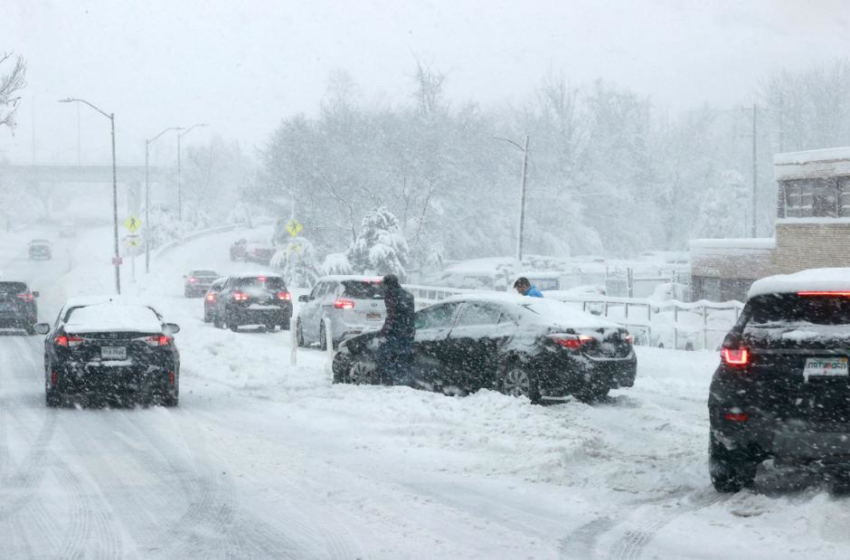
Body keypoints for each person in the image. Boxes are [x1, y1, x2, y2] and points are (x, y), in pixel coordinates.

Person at [377, 274, 416, 385]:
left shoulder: (391, 295)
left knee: (381, 354)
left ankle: (392, 378)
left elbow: (392, 316)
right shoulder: (407, 295)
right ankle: (402, 381)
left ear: (388, 284)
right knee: (402, 358)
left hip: (396, 332)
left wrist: (383, 332)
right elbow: (410, 315)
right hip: (408, 331)